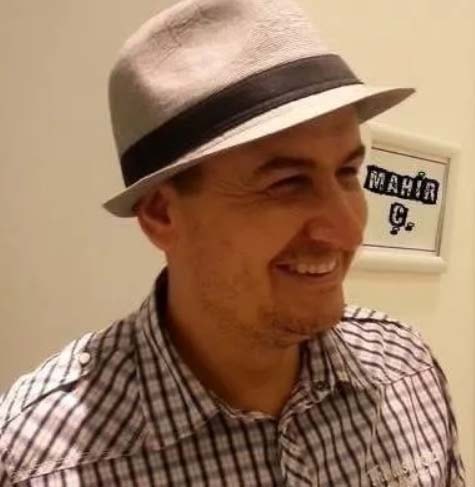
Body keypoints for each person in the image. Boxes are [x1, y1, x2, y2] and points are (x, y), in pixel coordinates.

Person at [0, 0, 466, 485]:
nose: (349, 231)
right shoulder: (37, 459)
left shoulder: (406, 370)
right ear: (161, 214)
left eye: (348, 172)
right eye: (287, 183)